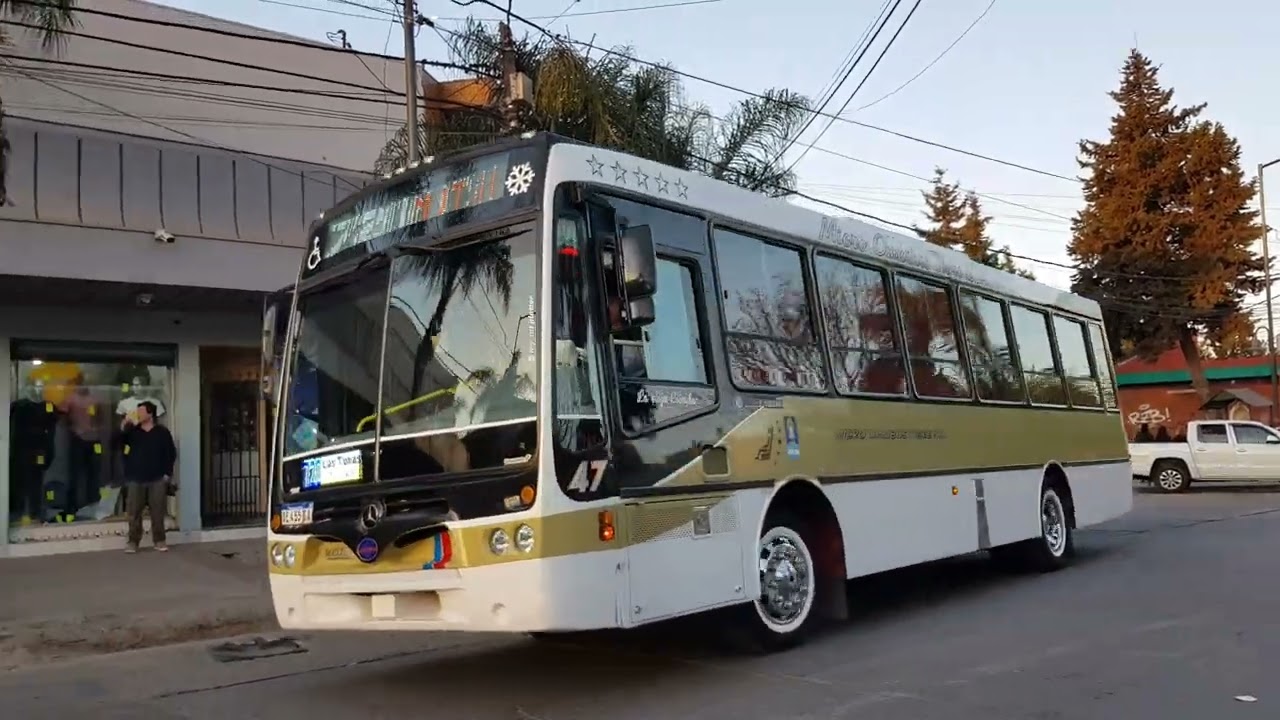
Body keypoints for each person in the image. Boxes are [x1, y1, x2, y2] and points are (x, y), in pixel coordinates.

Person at [119, 400, 177, 553]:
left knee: (157, 511)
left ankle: (159, 540)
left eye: (141, 411)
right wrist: (124, 427)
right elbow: (117, 445)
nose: (138, 414)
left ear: (150, 414)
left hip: (157, 478)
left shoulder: (162, 432)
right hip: (135, 477)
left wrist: (167, 474)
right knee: (134, 512)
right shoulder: (132, 432)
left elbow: (170, 453)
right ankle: (133, 541)